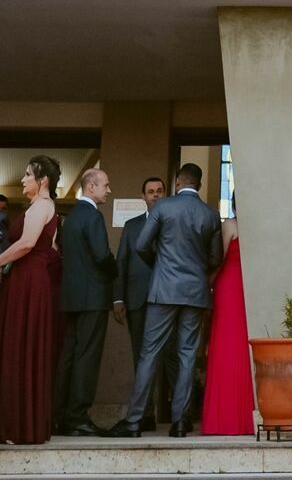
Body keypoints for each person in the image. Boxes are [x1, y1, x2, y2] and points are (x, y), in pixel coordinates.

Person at [111, 163, 222, 437]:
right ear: (199, 183)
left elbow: (141, 246)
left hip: (164, 290)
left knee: (149, 353)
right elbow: (215, 259)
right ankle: (181, 421)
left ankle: (135, 420)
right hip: (194, 293)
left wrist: (160, 265)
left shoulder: (163, 208)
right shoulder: (210, 215)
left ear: (177, 182)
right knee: (186, 355)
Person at [0, 155, 64, 443]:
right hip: (27, 279)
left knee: (20, 344)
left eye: (28, 174)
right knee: (20, 344)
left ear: (42, 180)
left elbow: (28, 243)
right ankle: (17, 421)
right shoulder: (42, 207)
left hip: (28, 280)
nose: (23, 180)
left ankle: (15, 425)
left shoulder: (42, 206)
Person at [54, 167, 117, 436]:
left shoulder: (69, 218)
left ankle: (58, 413)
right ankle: (77, 416)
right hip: (93, 296)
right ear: (91, 187)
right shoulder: (92, 216)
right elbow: (102, 255)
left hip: (71, 296)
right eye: (105, 185)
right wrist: (116, 270)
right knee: (87, 358)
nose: (109, 190)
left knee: (69, 356)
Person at [114, 176, 169, 431]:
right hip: (137, 300)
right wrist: (118, 298)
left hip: (167, 301)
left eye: (159, 191)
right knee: (141, 357)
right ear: (143, 197)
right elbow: (122, 262)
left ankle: (170, 412)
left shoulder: (172, 222)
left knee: (167, 357)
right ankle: (144, 414)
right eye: (150, 192)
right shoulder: (132, 225)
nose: (155, 195)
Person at [200, 210, 253, 435]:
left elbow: (218, 259)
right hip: (249, 287)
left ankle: (223, 419)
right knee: (243, 344)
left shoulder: (229, 225)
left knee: (224, 344)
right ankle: (246, 418)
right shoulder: (260, 226)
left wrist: (206, 284)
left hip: (228, 286)